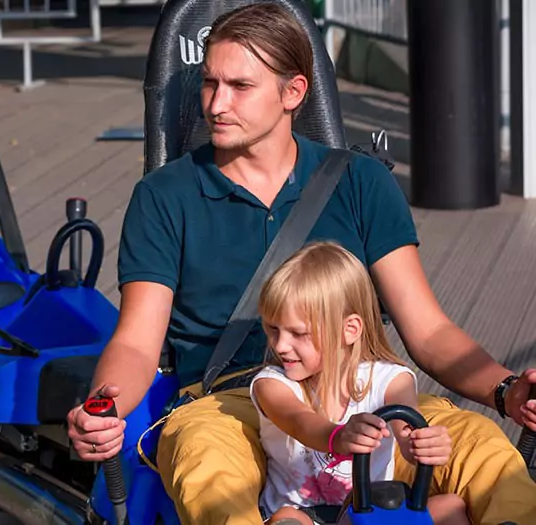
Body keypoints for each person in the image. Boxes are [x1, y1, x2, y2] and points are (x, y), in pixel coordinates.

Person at [65, 3, 536, 524]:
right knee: (208, 469)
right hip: (230, 403)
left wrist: (505, 390)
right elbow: (135, 341)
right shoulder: (164, 195)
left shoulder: (361, 183)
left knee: (487, 452)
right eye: (208, 83)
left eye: (240, 86)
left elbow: (428, 329)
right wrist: (102, 407)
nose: (216, 104)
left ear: (293, 93)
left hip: (354, 391)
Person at [250, 241, 468, 525]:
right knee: (287, 519)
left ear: (349, 330)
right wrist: (338, 437)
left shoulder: (390, 380)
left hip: (368, 515)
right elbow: (300, 421)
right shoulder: (272, 384)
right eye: (273, 329)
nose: (280, 345)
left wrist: (424, 446)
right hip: (305, 515)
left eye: (298, 333)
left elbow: (406, 432)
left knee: (451, 506)